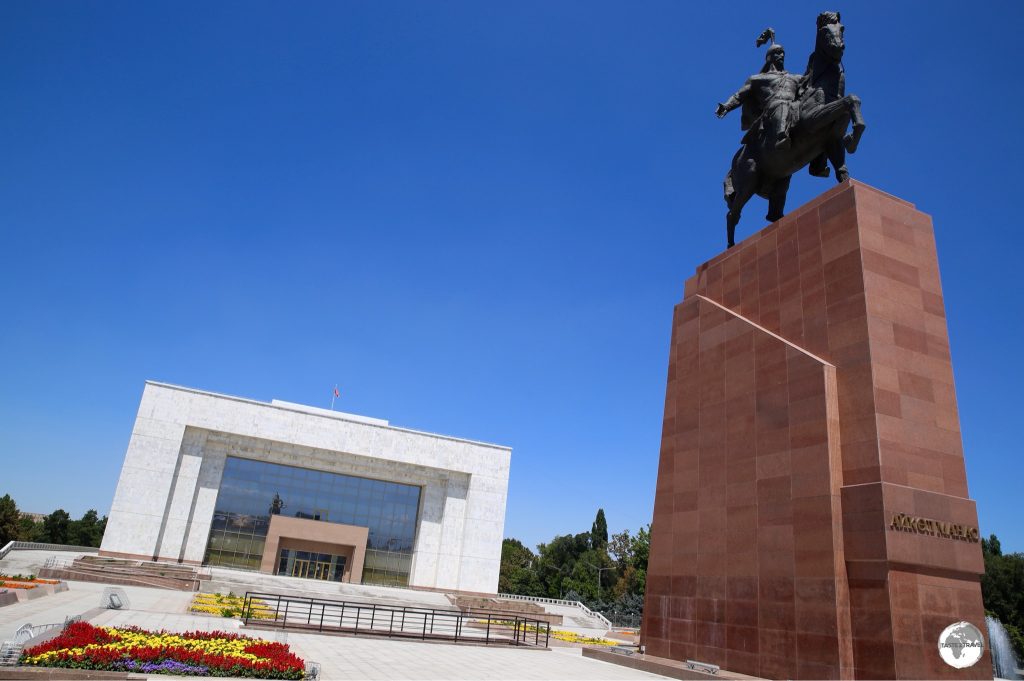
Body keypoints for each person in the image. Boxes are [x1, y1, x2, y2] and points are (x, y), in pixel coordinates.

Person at [716, 44, 802, 151]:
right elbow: (739, 96)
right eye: (778, 52)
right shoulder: (757, 79)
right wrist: (726, 106)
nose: (782, 55)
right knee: (782, 104)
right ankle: (781, 138)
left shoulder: (796, 78)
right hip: (772, 111)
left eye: (783, 52)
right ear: (769, 57)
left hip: (794, 106)